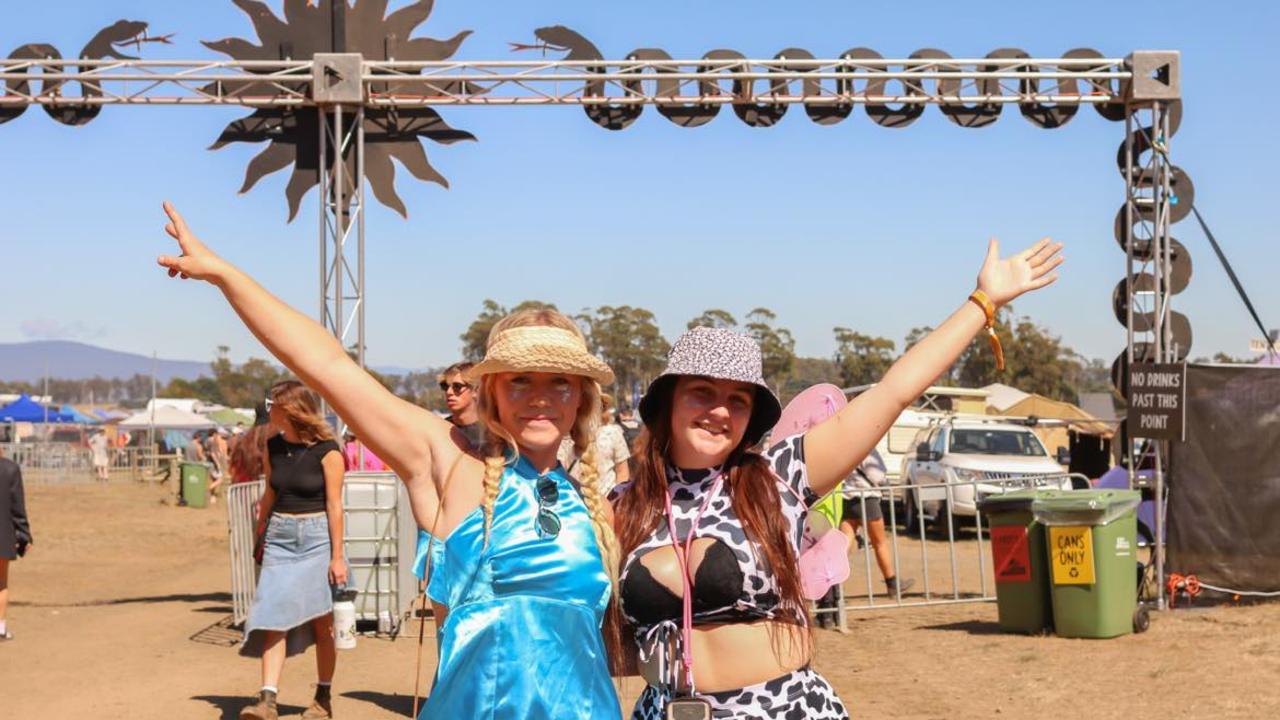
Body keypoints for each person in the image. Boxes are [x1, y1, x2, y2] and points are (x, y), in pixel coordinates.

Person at [156, 202, 623, 720]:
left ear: (580, 398)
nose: (541, 397)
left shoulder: (594, 506)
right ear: (491, 392)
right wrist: (226, 275)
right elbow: (328, 365)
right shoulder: (447, 461)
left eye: (559, 382)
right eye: (521, 380)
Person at [610, 236, 1063, 718]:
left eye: (738, 400)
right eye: (701, 392)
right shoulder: (621, 505)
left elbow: (894, 391)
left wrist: (982, 302)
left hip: (782, 709)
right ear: (669, 401)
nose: (719, 410)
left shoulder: (778, 476)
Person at [238, 380, 348, 720]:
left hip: (317, 538)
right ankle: (267, 700)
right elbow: (270, 492)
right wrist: (261, 530)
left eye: (271, 403)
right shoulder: (272, 446)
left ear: (290, 408)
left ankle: (323, 698)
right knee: (273, 616)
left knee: (322, 622)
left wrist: (337, 556)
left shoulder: (328, 450)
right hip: (281, 537)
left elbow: (335, 505)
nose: (267, 408)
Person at [839, 448, 915, 597]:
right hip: (867, 497)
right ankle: (892, 582)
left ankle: (831, 582)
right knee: (880, 543)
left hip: (849, 497)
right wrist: (884, 483)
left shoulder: (844, 448)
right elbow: (876, 474)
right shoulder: (867, 449)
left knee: (844, 544)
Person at [559, 393, 630, 495]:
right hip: (574, 504)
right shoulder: (563, 436)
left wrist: (616, 501)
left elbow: (622, 472)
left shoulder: (612, 432)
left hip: (608, 502)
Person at [0, 447, 33, 642]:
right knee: (1, 583)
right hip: (3, 534)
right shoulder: (11, 469)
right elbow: (17, 506)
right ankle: (0, 628)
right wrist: (24, 535)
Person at [438, 361, 484, 451]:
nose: (449, 392)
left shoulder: (495, 433)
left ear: (476, 390)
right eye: (445, 387)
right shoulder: (440, 429)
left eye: (457, 386)